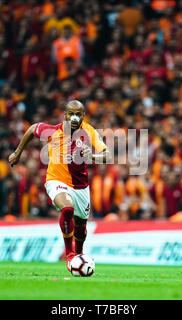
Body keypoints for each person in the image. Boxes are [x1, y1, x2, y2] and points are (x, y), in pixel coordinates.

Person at [8, 100, 110, 272]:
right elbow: (33, 129)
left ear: (83, 116)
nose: (75, 117)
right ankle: (70, 254)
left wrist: (92, 156)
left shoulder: (89, 131)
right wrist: (17, 153)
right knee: (67, 209)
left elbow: (106, 155)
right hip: (56, 180)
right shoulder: (54, 131)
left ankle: (78, 255)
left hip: (80, 187)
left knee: (80, 227)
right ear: (65, 115)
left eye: (79, 114)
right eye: (71, 113)